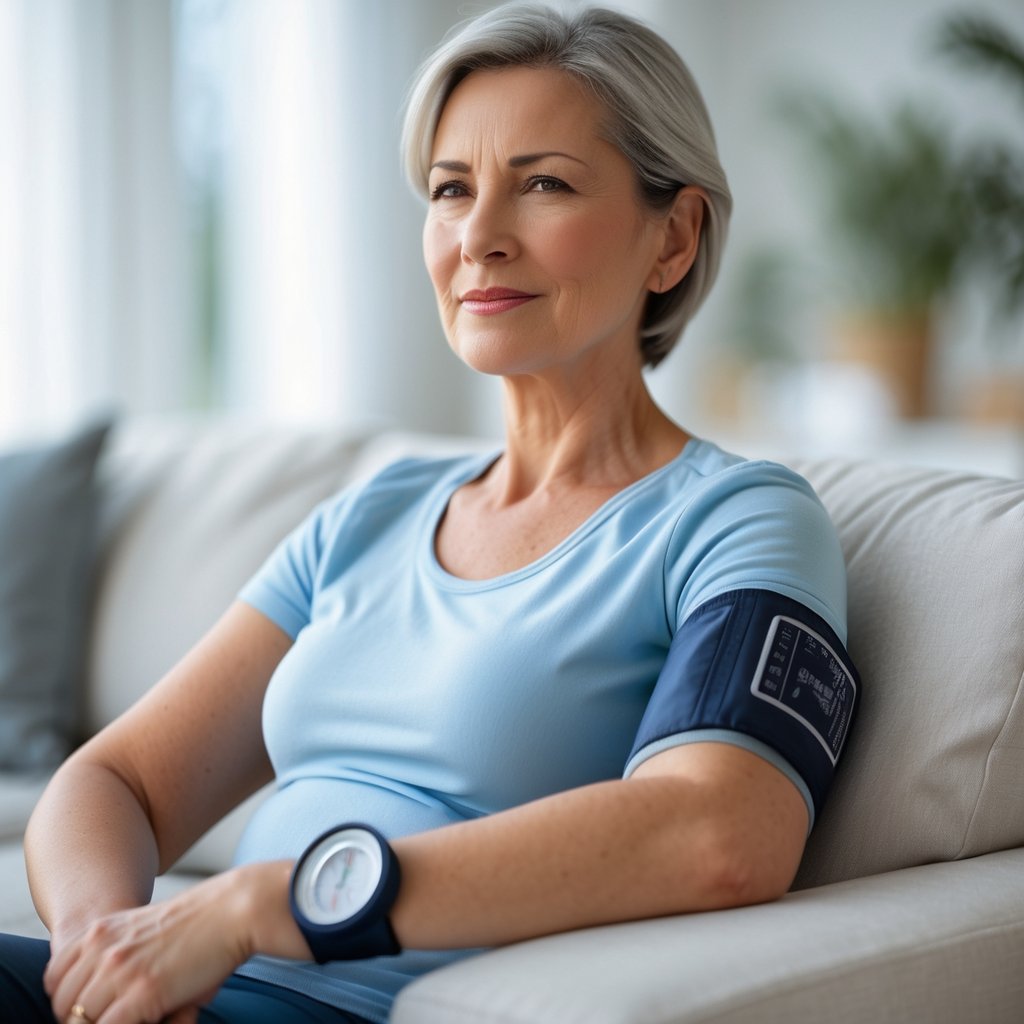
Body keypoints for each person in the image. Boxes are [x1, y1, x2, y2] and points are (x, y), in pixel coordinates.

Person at [1, 3, 859, 1022]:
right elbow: (118, 781)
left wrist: (261, 905)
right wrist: (105, 952)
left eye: (542, 184)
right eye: (452, 190)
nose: (479, 237)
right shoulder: (373, 511)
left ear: (671, 237)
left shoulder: (736, 522)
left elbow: (721, 832)